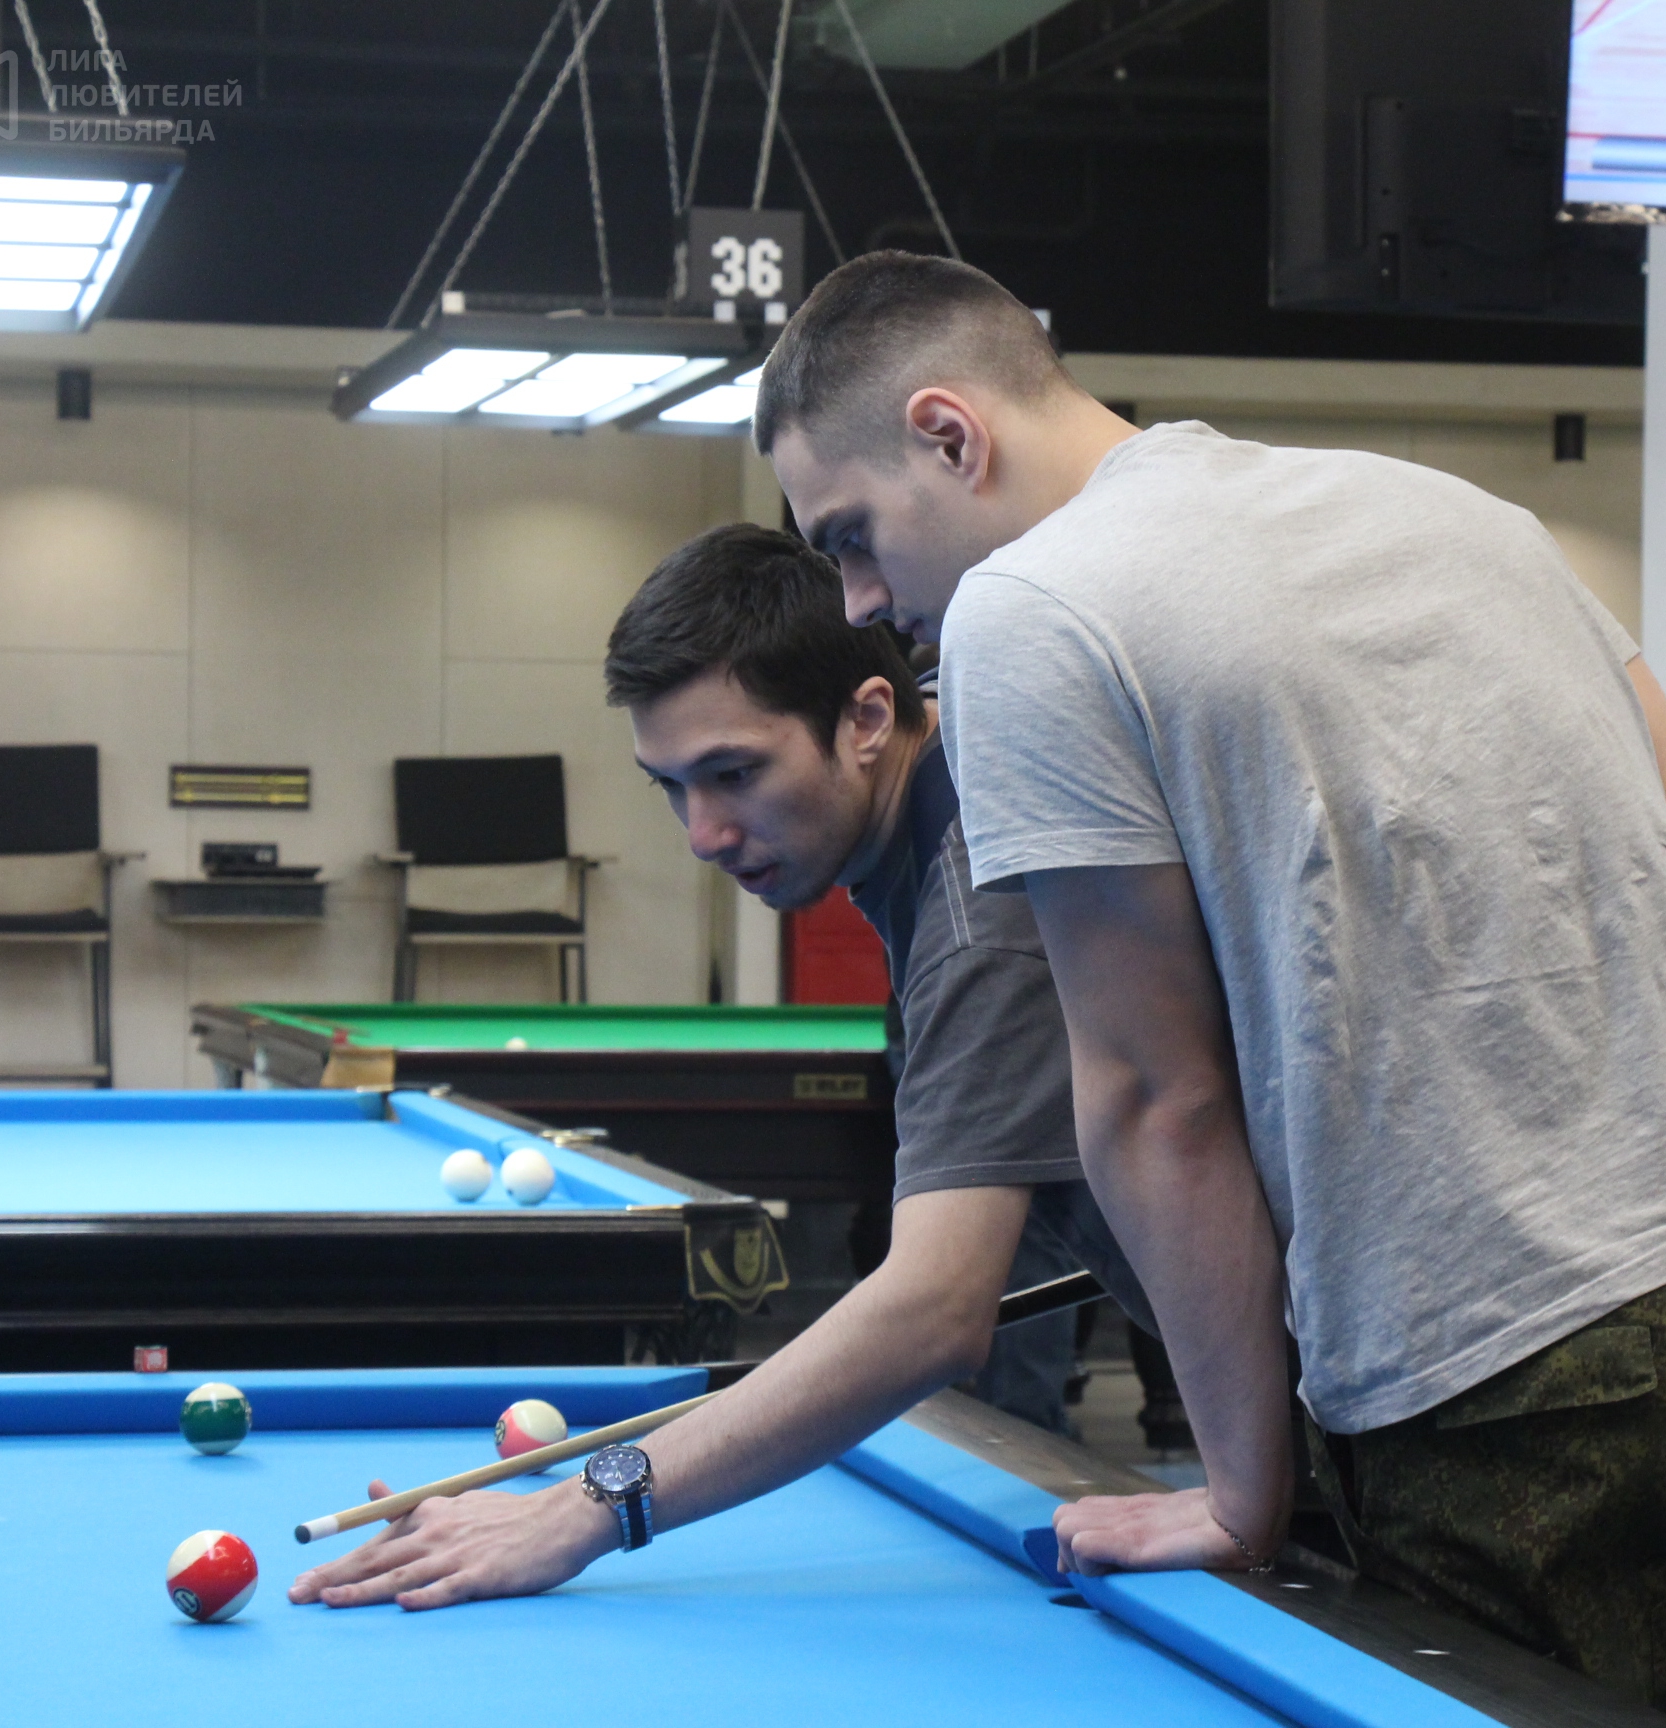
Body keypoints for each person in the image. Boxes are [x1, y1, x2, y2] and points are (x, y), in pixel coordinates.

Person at [759, 252, 1666, 1725]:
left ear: (949, 434)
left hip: (1513, 1382)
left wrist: (1241, 1492)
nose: (863, 599)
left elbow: (1155, 1097)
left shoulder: (1025, 612)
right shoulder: (1455, 510)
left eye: (852, 537)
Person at [286, 521, 1156, 1608]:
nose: (701, 833)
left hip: (1352, 1392)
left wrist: (582, 1509)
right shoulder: (946, 755)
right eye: (669, 785)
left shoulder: (980, 900)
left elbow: (934, 1313)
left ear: (868, 721)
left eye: (734, 773)